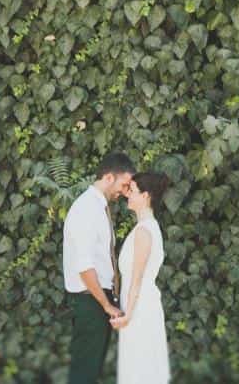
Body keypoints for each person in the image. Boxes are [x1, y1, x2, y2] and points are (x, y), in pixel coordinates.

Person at [62, 152, 135, 383]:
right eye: (124, 184)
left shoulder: (97, 206)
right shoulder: (86, 208)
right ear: (109, 177)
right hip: (91, 300)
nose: (124, 191)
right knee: (84, 374)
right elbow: (84, 266)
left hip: (97, 299)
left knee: (90, 372)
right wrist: (106, 305)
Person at [110, 172, 171, 383]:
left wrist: (127, 316)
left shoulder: (144, 232)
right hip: (139, 306)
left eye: (133, 190)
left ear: (145, 196)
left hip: (139, 309)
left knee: (140, 371)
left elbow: (137, 280)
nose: (128, 194)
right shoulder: (146, 227)